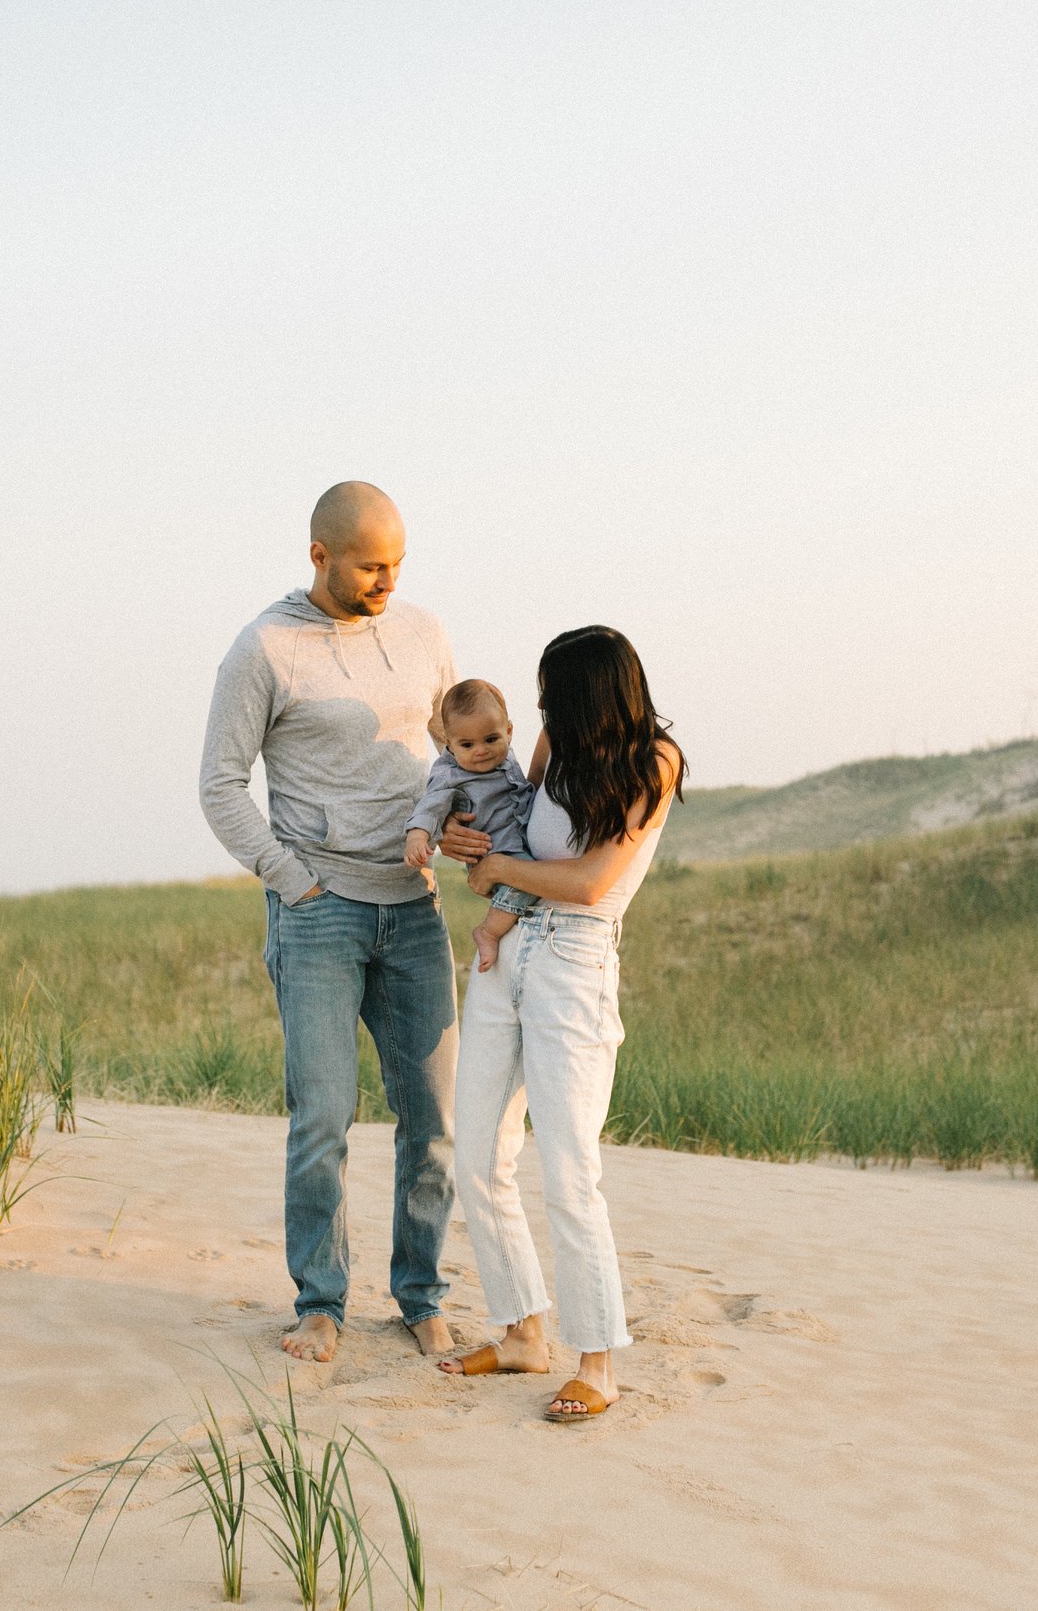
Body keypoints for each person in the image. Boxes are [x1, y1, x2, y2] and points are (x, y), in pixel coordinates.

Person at [197, 481, 480, 1364]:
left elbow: (451, 752)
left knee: (431, 1117)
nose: (386, 580)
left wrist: (466, 823)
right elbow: (218, 784)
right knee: (322, 1114)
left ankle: (420, 1295)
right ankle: (320, 1303)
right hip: (318, 913)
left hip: (415, 911)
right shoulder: (264, 648)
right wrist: (291, 879)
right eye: (369, 565)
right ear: (320, 555)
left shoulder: (424, 633)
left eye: (397, 564)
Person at [436, 625, 685, 1421]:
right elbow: (502, 811)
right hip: (505, 955)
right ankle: (521, 1332)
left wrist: (501, 869)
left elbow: (588, 878)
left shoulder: (656, 762)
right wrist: (459, 835)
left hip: (575, 962)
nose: (541, 711)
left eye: (552, 696)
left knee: (571, 1169)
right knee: (477, 1152)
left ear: (592, 697)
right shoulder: (554, 745)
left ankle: (598, 1362)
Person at [403, 679, 541, 975]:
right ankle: (488, 932)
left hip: (515, 841)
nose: (481, 751)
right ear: (450, 745)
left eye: (491, 739)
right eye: (467, 745)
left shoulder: (504, 757)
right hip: (496, 851)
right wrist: (418, 834)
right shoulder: (450, 773)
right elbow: (431, 805)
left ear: (509, 731)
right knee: (528, 880)